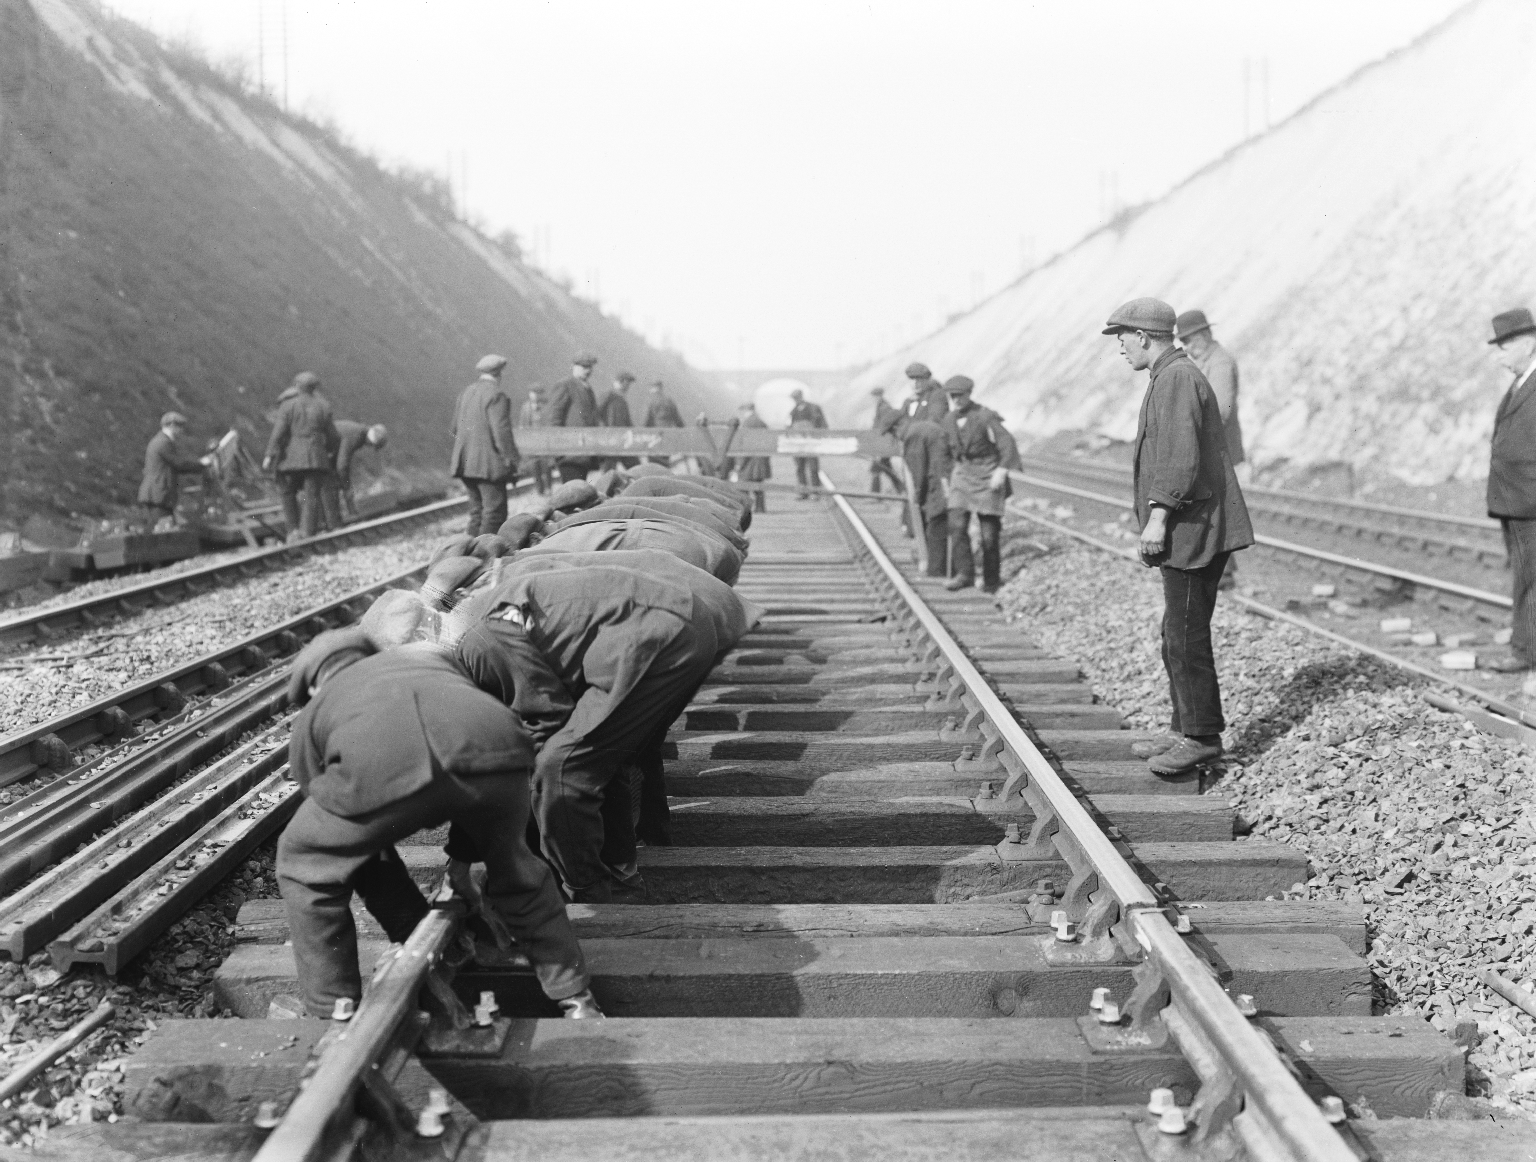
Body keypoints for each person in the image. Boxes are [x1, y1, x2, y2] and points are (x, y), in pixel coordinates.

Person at [275, 627, 601, 1020]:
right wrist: (465, 858)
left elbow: (341, 832)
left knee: (306, 861)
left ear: (312, 685)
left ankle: (332, 1008)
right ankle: (576, 998)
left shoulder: (317, 708)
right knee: (517, 868)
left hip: (381, 764)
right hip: (495, 742)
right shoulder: (426, 657)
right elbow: (463, 745)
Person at [445, 550, 761, 902]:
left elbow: (549, 717)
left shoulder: (477, 640)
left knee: (562, 766)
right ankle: (622, 875)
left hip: (655, 633)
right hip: (681, 619)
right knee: (601, 754)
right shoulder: (479, 617)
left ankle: (589, 889)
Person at [1102, 298, 1253, 775]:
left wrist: (1158, 516)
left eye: (1123, 339)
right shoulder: (1169, 375)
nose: (1121, 349)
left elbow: (1181, 458)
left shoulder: (1177, 379)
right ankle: (1181, 727)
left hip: (1192, 528)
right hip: (1189, 525)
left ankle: (1202, 737)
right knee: (1175, 632)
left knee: (1186, 635)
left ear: (1144, 336)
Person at [1483, 307, 1536, 673]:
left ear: (1527, 342)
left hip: (1531, 502)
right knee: (1525, 576)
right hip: (1515, 501)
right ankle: (1526, 647)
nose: (1499, 356)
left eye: (1504, 347)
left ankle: (1526, 653)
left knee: (1530, 580)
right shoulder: (1521, 383)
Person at [940, 376, 1021, 593]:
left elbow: (1007, 443)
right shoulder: (948, 420)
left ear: (969, 394)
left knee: (989, 535)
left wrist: (1000, 472)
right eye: (952, 396)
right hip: (963, 476)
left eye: (960, 395)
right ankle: (964, 574)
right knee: (956, 526)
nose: (956, 400)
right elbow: (944, 453)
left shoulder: (985, 417)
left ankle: (991, 580)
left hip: (988, 476)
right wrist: (948, 476)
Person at [263, 372, 340, 542]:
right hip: (316, 458)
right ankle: (306, 534)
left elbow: (278, 432)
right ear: (314, 388)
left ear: (297, 386)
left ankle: (292, 531)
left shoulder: (288, 406)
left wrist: (269, 454)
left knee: (287, 492)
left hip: (290, 458)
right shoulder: (323, 406)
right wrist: (325, 450)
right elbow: (334, 437)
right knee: (311, 495)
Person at [450, 354, 520, 536]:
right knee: (494, 514)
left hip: (465, 464)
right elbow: (502, 434)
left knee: (477, 514)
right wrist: (512, 462)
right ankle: (486, 558)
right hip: (487, 467)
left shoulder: (466, 392)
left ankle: (468, 558)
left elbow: (455, 427)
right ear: (499, 374)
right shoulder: (496, 395)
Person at [887, 409, 952, 578]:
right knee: (941, 525)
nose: (896, 438)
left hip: (938, 483)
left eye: (894, 433)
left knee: (936, 525)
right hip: (945, 479)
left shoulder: (912, 435)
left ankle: (936, 572)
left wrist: (917, 495)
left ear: (898, 426)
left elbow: (918, 471)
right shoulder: (922, 427)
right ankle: (941, 568)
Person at [137, 412, 206, 526]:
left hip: (158, 495)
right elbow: (179, 464)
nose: (181, 430)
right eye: (179, 427)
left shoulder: (161, 440)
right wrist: (202, 464)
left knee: (163, 529)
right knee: (162, 532)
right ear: (172, 426)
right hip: (158, 496)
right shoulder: (163, 443)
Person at [546, 354, 601, 483]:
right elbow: (554, 418)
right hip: (569, 453)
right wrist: (558, 451)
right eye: (584, 366)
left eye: (590, 367)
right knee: (573, 492)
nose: (588, 370)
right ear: (573, 367)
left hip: (583, 452)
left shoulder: (587, 389)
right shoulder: (565, 385)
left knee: (580, 491)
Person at [324, 421, 388, 523]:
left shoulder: (359, 432)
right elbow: (342, 465)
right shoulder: (356, 436)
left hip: (323, 448)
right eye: (372, 445)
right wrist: (347, 486)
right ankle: (332, 523)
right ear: (372, 441)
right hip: (316, 448)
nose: (369, 447)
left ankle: (333, 521)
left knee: (331, 481)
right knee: (328, 484)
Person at [729, 401, 771, 513]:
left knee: (743, 485)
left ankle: (745, 509)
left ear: (746, 410)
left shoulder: (747, 423)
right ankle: (760, 508)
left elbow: (745, 445)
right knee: (758, 485)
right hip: (761, 459)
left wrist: (739, 464)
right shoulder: (761, 422)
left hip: (750, 461)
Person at [788, 388, 828, 499]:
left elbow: (823, 424)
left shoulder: (814, 408)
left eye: (796, 398)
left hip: (811, 444)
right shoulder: (793, 411)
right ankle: (803, 492)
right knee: (800, 468)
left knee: (813, 468)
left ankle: (815, 492)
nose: (796, 400)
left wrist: (820, 439)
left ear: (801, 397)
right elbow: (788, 427)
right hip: (798, 445)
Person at [517, 386, 555, 496]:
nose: (535, 395)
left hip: (544, 442)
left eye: (537, 393)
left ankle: (548, 488)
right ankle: (539, 490)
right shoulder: (525, 407)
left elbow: (550, 423)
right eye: (533, 392)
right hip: (532, 443)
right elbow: (522, 425)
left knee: (546, 466)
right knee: (535, 467)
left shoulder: (546, 406)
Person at [598, 371, 639, 470]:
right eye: (627, 383)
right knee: (609, 472)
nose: (628, 386)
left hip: (623, 439)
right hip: (611, 440)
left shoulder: (621, 399)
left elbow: (627, 422)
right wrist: (604, 430)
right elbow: (596, 414)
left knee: (636, 468)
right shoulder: (608, 396)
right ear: (621, 382)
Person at [868, 387, 905, 495]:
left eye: (875, 396)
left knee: (877, 468)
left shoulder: (884, 407)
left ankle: (875, 494)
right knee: (885, 468)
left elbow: (885, 425)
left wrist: (880, 442)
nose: (874, 399)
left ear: (879, 396)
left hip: (883, 443)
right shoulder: (881, 406)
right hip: (882, 443)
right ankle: (900, 489)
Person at [642, 380, 685, 467]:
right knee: (664, 463)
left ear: (653, 388)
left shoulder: (650, 401)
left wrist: (643, 433)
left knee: (653, 464)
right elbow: (678, 420)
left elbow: (647, 420)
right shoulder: (669, 401)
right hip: (667, 435)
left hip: (653, 437)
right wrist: (684, 432)